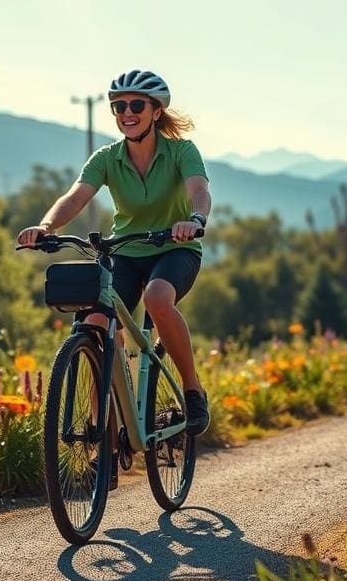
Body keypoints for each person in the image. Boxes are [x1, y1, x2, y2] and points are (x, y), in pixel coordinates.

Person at [16, 69, 212, 442]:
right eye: (118, 106)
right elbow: (75, 196)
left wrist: (195, 219)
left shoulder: (181, 151)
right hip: (126, 250)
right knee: (95, 320)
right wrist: (46, 226)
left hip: (175, 248)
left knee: (157, 298)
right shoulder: (107, 158)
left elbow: (199, 189)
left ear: (156, 111)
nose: (127, 112)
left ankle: (192, 389)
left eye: (136, 104)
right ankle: (101, 431)